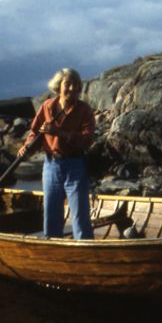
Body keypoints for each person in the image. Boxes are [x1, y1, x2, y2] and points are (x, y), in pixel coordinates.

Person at [18, 68, 95, 239]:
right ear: (59, 86)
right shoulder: (47, 106)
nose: (72, 89)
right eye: (68, 84)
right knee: (51, 217)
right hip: (51, 166)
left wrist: (60, 132)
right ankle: (53, 253)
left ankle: (85, 255)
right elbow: (35, 132)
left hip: (75, 167)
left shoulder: (84, 110)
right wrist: (27, 147)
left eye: (76, 85)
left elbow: (88, 139)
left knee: (80, 218)